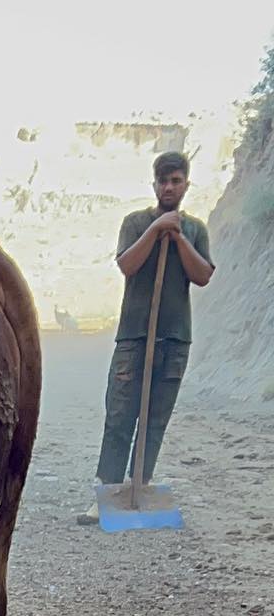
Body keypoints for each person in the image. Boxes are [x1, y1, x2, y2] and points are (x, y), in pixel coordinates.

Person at [77, 150, 214, 523]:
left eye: (176, 181)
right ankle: (106, 491)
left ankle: (141, 487)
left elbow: (202, 276)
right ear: (153, 184)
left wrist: (178, 236)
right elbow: (127, 265)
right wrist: (156, 230)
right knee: (121, 412)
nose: (169, 187)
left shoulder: (196, 229)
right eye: (163, 181)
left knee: (155, 417)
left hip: (175, 337)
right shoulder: (136, 222)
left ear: (186, 184)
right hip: (134, 335)